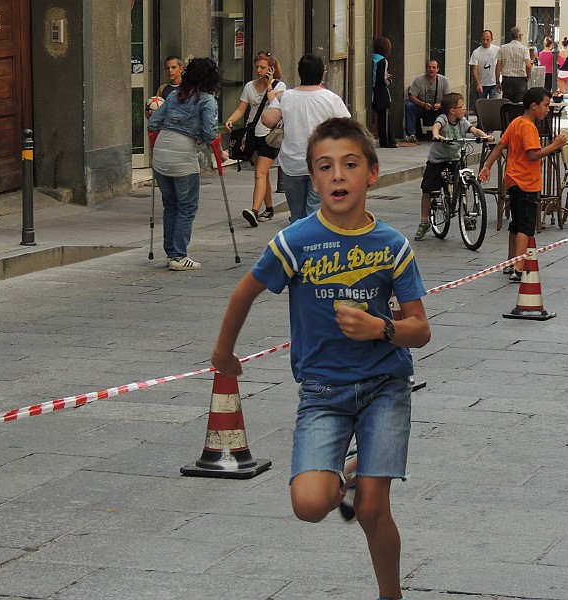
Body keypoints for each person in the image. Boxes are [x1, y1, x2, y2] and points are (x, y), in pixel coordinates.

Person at [210, 117, 431, 600]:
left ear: (371, 174)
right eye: (325, 167)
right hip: (323, 393)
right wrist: (224, 352)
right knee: (309, 505)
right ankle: (347, 470)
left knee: (372, 509)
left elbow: (421, 329)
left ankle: (390, 595)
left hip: (384, 387)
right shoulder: (296, 241)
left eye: (349, 165)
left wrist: (382, 328)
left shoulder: (392, 245)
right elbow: (245, 292)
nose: (337, 176)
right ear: (312, 180)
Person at [478, 87, 567, 281]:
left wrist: (487, 165)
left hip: (512, 179)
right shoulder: (529, 127)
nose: (547, 110)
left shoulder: (516, 123)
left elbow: (500, 145)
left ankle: (510, 261)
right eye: (545, 106)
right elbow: (532, 155)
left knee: (516, 223)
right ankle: (519, 265)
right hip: (526, 182)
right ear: (533, 106)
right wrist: (554, 146)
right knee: (525, 226)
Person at [147, 57, 227, 271]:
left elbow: (153, 122)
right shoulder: (208, 100)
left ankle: (171, 252)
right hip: (182, 154)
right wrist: (202, 138)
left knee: (170, 205)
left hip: (162, 151)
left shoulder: (175, 95)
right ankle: (180, 256)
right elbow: (211, 132)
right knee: (187, 207)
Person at [261, 53, 350, 222]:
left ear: (300, 73)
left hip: (292, 164)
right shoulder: (330, 98)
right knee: (315, 213)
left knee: (296, 214)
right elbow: (348, 127)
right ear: (321, 74)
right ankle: (314, 245)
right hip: (322, 164)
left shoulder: (286, 97)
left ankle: (299, 245)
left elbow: (267, 120)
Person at [415, 92, 491, 241]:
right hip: (437, 160)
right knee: (428, 190)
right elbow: (436, 127)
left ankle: (465, 211)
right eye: (461, 107)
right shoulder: (443, 119)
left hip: (454, 158)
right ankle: (424, 221)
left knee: (464, 181)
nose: (464, 109)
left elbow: (473, 130)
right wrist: (437, 135)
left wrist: (485, 136)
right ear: (452, 110)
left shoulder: (463, 122)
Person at [225, 51, 287, 227]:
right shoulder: (249, 87)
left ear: (271, 69)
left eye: (263, 68)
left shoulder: (279, 86)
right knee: (262, 174)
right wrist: (231, 119)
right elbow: (241, 109)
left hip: (271, 135)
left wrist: (269, 85)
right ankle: (269, 208)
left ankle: (254, 210)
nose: (259, 71)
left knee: (260, 172)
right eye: (257, 67)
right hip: (253, 135)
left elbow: (274, 103)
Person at [405, 60, 451, 142]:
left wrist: (440, 105)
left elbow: (449, 98)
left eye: (434, 67)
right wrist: (422, 104)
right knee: (409, 106)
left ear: (437, 69)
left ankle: (446, 133)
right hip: (422, 107)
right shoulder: (419, 80)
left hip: (438, 108)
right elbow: (412, 96)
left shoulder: (444, 80)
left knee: (449, 108)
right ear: (426, 69)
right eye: (429, 67)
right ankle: (411, 134)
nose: (431, 69)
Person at [371, 37, 397, 148]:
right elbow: (382, 79)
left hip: (372, 90)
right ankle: (387, 141)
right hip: (381, 92)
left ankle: (388, 141)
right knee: (385, 118)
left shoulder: (372, 58)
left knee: (382, 118)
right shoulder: (383, 60)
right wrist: (388, 80)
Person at [499, 27, 532, 103]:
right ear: (520, 36)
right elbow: (528, 65)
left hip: (507, 79)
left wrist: (497, 81)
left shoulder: (503, 48)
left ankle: (508, 115)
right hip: (520, 80)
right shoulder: (524, 49)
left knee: (507, 103)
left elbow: (498, 66)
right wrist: (528, 76)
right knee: (520, 103)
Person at [469, 31, 500, 100]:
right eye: (483, 39)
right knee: (481, 104)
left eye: (487, 40)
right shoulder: (476, 52)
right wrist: (478, 83)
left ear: (491, 40)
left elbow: (499, 66)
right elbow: (474, 70)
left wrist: (498, 81)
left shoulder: (497, 50)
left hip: (493, 83)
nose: (485, 42)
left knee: (494, 104)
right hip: (482, 83)